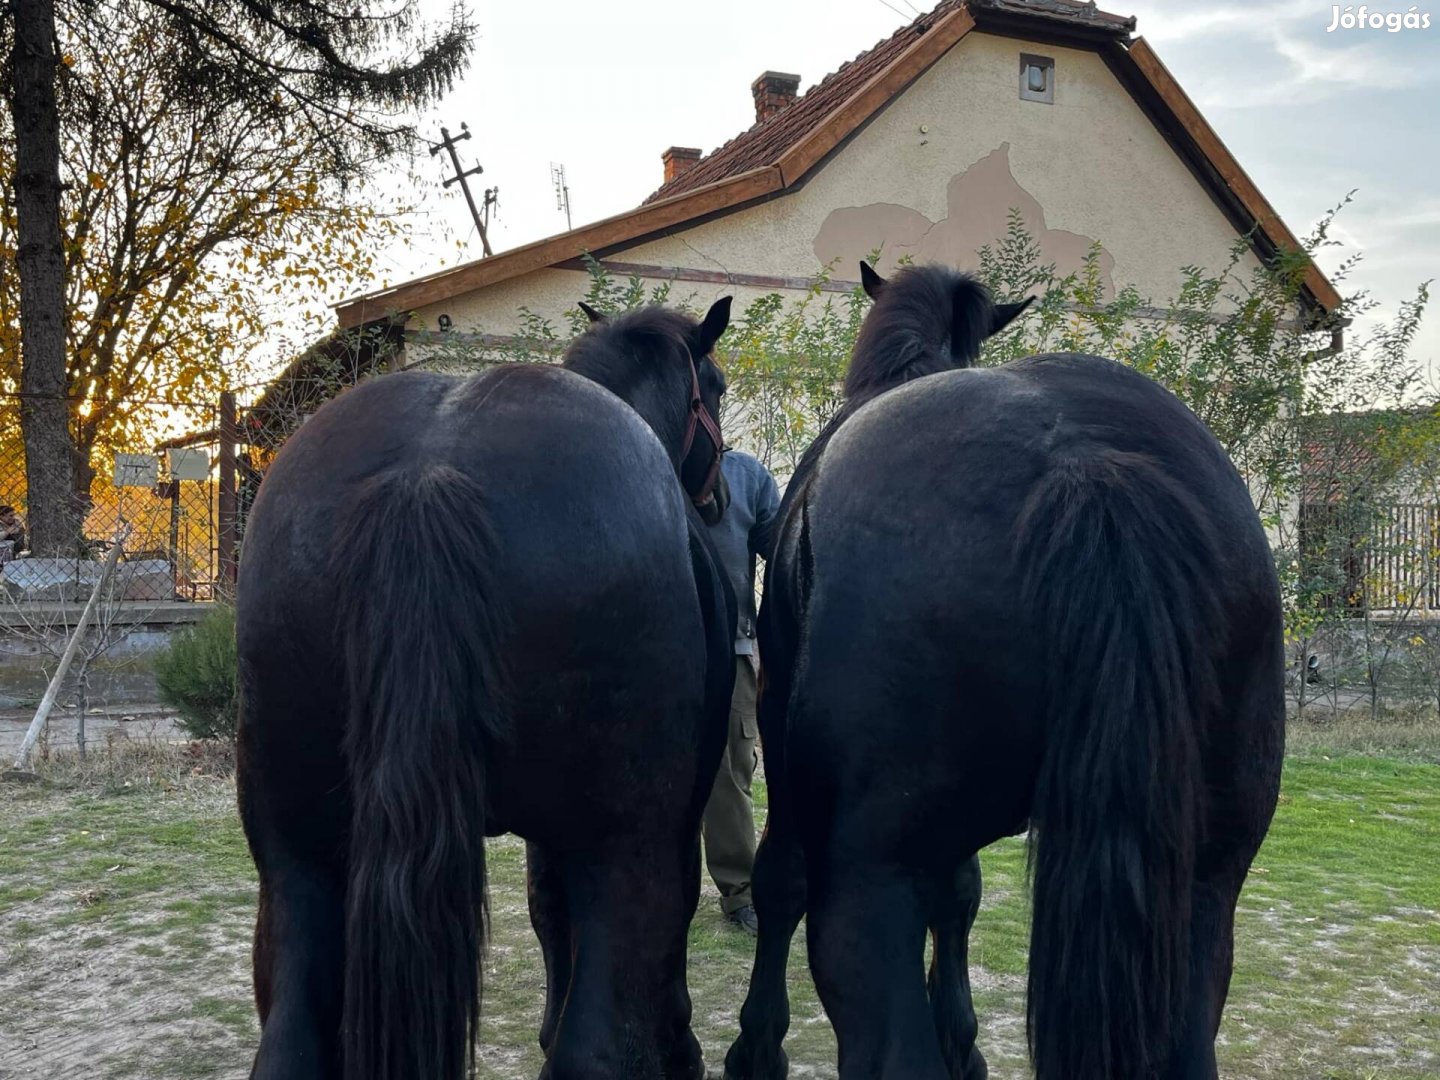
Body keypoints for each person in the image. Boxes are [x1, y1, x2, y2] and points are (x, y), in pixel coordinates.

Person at [703, 448, 780, 933]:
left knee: (730, 775)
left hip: (730, 648)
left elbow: (785, 549)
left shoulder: (748, 475)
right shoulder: (642, 459)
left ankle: (739, 892)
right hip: (653, 651)